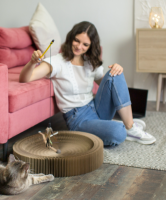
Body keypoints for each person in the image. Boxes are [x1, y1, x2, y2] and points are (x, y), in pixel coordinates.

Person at [19, 21, 156, 146]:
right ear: (71, 38)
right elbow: (25, 78)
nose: (79, 47)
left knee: (116, 73)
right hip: (78, 119)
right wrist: (32, 63)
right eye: (76, 41)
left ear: (91, 46)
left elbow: (108, 84)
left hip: (96, 107)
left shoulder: (89, 61)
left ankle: (130, 126)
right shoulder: (56, 61)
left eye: (85, 44)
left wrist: (116, 71)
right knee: (118, 133)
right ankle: (125, 126)